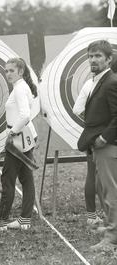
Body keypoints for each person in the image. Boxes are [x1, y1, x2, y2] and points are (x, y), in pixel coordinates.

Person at [77, 40, 117, 251]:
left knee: (111, 192)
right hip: (102, 145)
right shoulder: (100, 80)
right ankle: (112, 228)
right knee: (105, 189)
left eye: (98, 56)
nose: (93, 60)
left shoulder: (111, 82)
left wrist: (104, 138)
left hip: (108, 146)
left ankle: (112, 238)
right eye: (90, 56)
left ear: (109, 59)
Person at [0, 58, 38, 232]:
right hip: (23, 136)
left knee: (8, 179)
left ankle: (1, 221)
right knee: (26, 179)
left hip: (18, 138)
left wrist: (12, 133)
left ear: (20, 71)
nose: (8, 74)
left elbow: (25, 115)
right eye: (6, 71)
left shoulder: (19, 88)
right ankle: (24, 219)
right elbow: (25, 115)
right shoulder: (22, 86)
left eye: (11, 70)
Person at [73, 78, 104, 227]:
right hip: (106, 136)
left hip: (95, 135)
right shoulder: (102, 83)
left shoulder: (89, 83)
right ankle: (105, 214)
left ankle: (93, 215)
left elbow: (77, 110)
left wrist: (92, 123)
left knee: (93, 173)